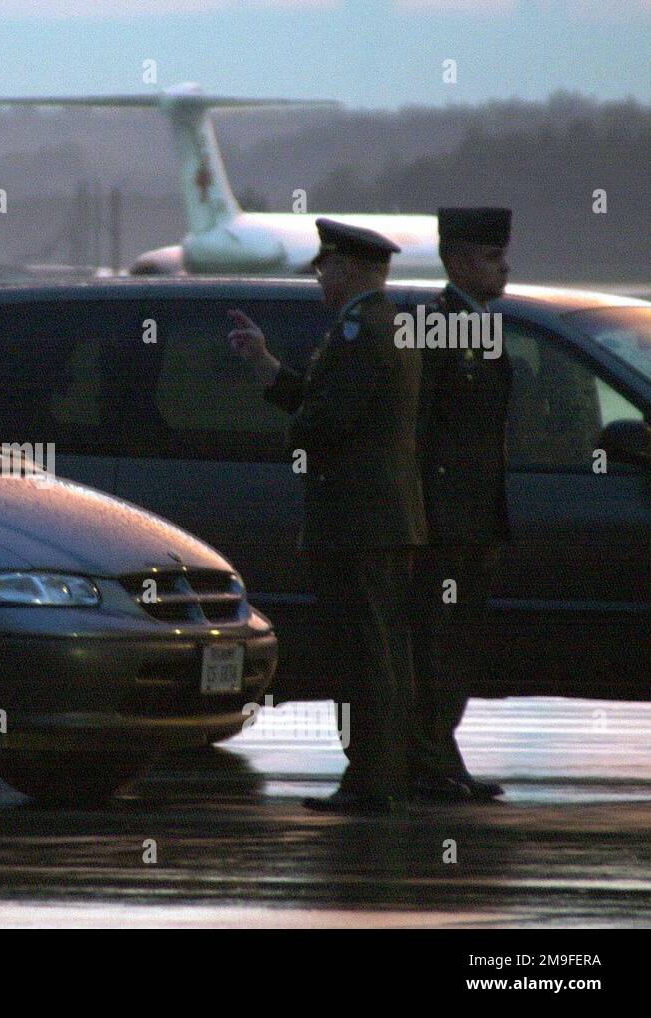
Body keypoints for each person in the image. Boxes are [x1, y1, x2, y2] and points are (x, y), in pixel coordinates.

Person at [227, 218, 425, 815]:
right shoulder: (374, 325)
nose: (320, 276)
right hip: (378, 517)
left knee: (366, 654)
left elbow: (326, 420)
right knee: (380, 649)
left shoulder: (362, 331)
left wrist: (296, 435)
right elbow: (323, 401)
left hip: (358, 519)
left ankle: (372, 781)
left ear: (359, 269)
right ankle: (385, 774)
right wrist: (265, 364)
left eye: (327, 265)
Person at [407, 207, 514, 801]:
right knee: (436, 642)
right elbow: (420, 430)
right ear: (458, 261)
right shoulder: (434, 326)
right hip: (445, 522)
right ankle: (431, 761)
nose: (505, 267)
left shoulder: (480, 326)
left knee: (456, 642)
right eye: (494, 256)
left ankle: (436, 756)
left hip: (474, 520)